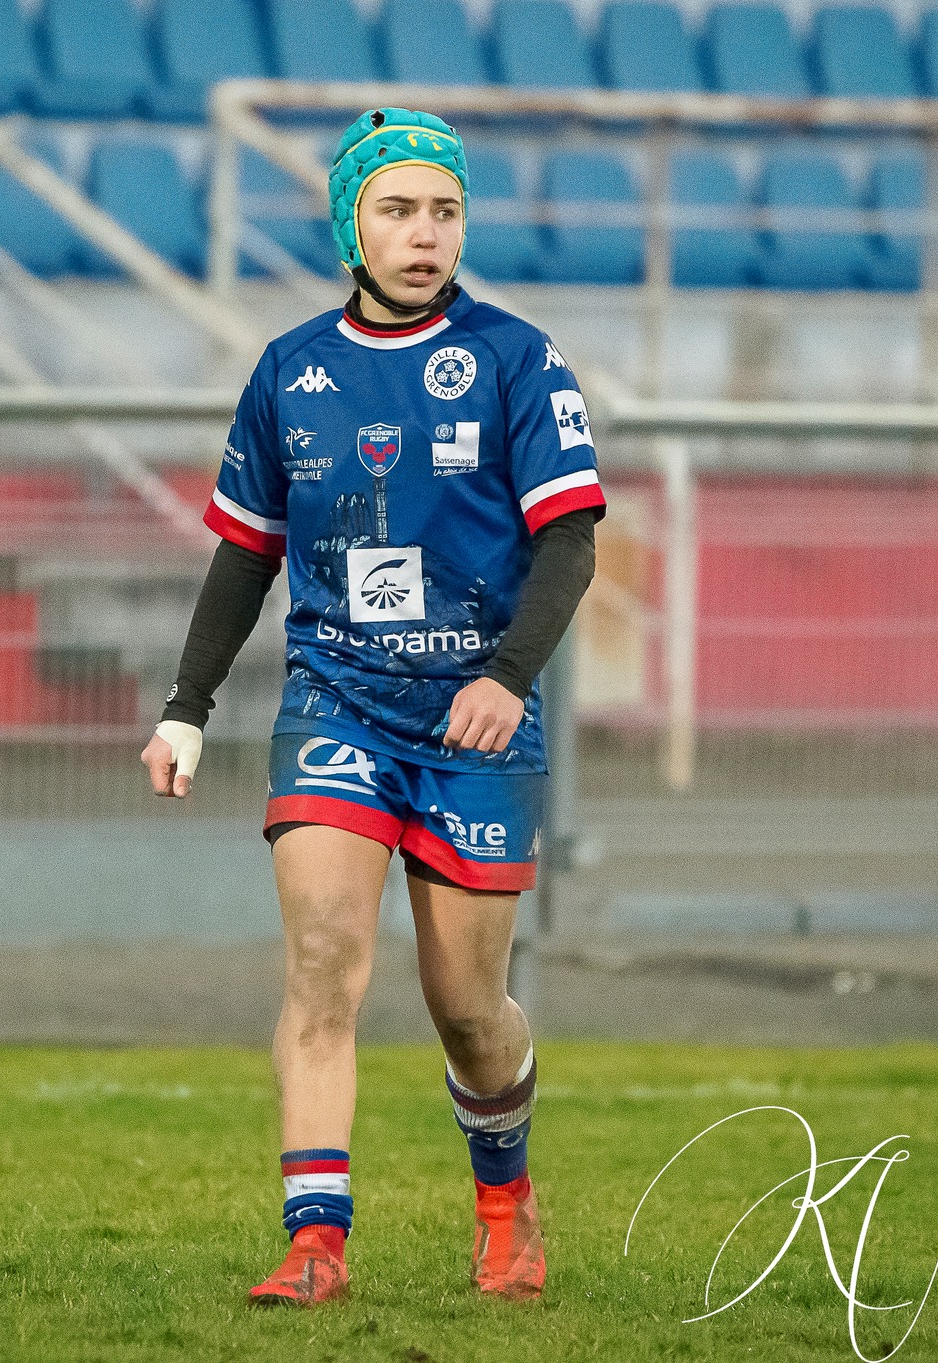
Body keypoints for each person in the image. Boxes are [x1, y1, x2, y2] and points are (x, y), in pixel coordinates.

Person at [138, 108, 603, 1306]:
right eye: (396, 209)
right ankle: (314, 1243)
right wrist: (186, 703)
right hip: (335, 699)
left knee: (465, 1010)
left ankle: (503, 1196)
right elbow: (245, 556)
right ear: (350, 223)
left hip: (475, 725)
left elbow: (567, 545)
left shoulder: (516, 359)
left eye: (443, 210)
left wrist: (504, 677)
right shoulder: (288, 371)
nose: (423, 233)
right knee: (324, 961)